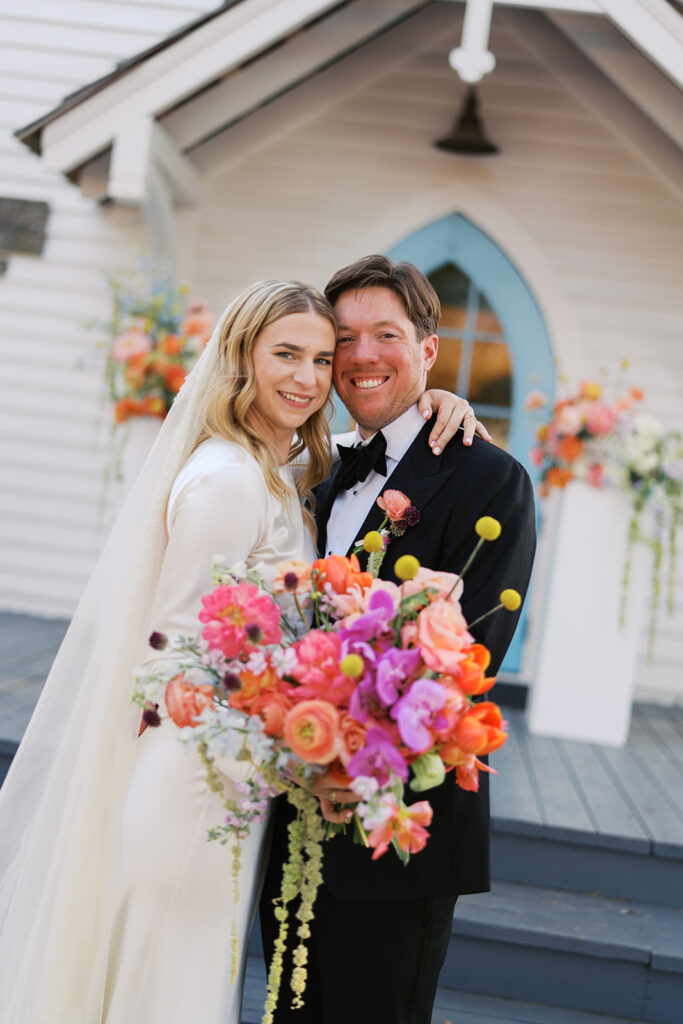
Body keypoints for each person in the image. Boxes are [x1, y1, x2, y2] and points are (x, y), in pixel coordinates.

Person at [0, 278, 482, 1024]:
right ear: (240, 359)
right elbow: (173, 652)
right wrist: (303, 746)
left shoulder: (278, 473)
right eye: (285, 354)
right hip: (194, 782)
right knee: (170, 992)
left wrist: (436, 403)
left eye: (321, 360)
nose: (307, 376)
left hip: (230, 783)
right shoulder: (226, 479)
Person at [260, 256, 537, 1024]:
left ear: (427, 350)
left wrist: (342, 765)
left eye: (385, 333)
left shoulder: (490, 479)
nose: (360, 355)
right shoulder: (320, 467)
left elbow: (463, 662)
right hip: (293, 812)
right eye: (342, 338)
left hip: (392, 829)